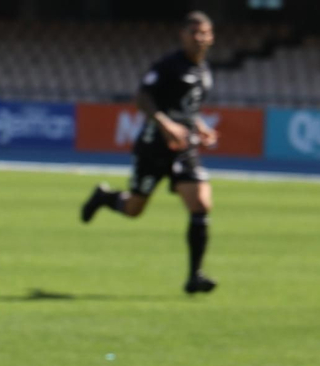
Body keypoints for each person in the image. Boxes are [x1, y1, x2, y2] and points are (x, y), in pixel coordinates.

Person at [80, 12, 218, 295]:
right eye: (194, 32)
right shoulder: (169, 65)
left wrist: (201, 128)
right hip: (154, 146)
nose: (200, 38)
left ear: (211, 37)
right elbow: (143, 98)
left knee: (201, 204)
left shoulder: (204, 70)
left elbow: (188, 110)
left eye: (205, 33)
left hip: (184, 148)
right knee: (134, 209)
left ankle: (195, 275)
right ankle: (105, 197)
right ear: (183, 35)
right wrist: (166, 124)